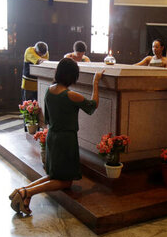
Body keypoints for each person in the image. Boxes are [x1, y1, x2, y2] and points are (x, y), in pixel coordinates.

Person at [9, 58, 104, 215]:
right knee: (65, 180)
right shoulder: (71, 95)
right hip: (65, 140)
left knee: (56, 176)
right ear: (72, 76)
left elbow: (47, 118)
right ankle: (27, 193)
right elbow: (92, 106)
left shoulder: (49, 90)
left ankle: (23, 191)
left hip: (53, 136)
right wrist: (95, 82)